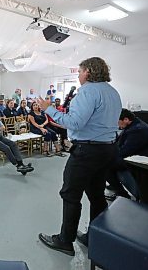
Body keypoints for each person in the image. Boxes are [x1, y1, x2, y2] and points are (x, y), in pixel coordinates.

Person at [37, 57, 122, 256]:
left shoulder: (88, 91)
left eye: (81, 71)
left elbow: (75, 123)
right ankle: (95, 237)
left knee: (70, 194)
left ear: (89, 72)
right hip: (107, 149)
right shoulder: (112, 92)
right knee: (96, 194)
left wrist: (48, 109)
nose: (78, 74)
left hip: (87, 151)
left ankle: (65, 241)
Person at [105, 109, 148, 201]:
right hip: (137, 156)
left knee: (105, 165)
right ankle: (114, 184)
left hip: (144, 163)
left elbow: (123, 152)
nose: (116, 125)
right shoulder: (134, 125)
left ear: (126, 119)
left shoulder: (137, 130)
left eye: (117, 122)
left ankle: (122, 194)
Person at [0, 102, 34, 175]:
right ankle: (17, 166)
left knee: (13, 144)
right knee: (6, 148)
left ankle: (21, 164)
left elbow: (3, 127)